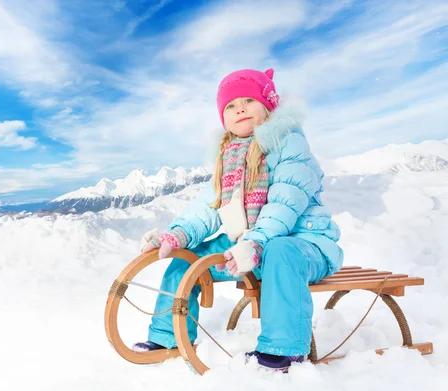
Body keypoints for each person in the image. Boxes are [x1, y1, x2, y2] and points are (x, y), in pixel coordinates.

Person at [132, 68, 343, 372]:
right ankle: (169, 336)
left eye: (249, 100)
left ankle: (283, 350)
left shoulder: (290, 145)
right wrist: (176, 235)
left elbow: (285, 202)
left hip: (304, 245)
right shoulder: (228, 157)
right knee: (186, 260)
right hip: (247, 246)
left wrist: (256, 241)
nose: (240, 108)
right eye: (230, 105)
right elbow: (208, 206)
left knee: (280, 251)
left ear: (268, 106)